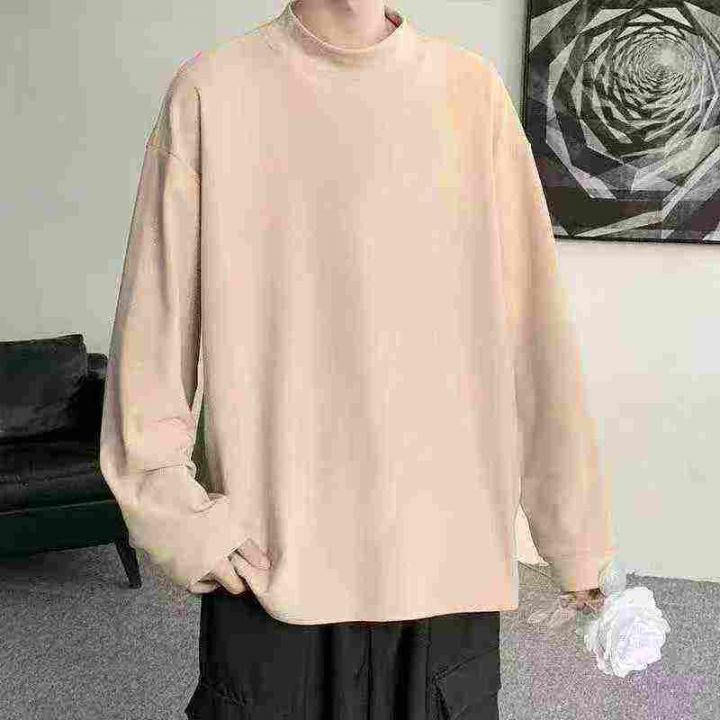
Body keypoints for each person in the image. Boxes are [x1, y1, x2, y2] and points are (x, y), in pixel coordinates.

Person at [99, 1, 616, 717]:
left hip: (445, 569)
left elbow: (536, 337)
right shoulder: (211, 92)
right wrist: (177, 516)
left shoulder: (472, 95)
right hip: (274, 566)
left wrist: (575, 533)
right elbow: (151, 334)